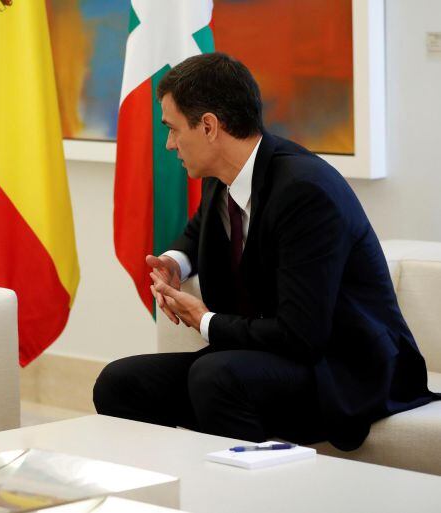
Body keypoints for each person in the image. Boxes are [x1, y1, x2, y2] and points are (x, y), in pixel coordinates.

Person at [94, 53, 436, 450]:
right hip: (269, 356)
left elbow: (302, 335)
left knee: (216, 375)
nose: (169, 144)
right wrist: (175, 262)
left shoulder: (305, 191)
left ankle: (245, 496)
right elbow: (200, 229)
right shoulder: (221, 176)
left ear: (208, 127)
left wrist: (205, 320)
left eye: (172, 129)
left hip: (343, 366)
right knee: (120, 383)